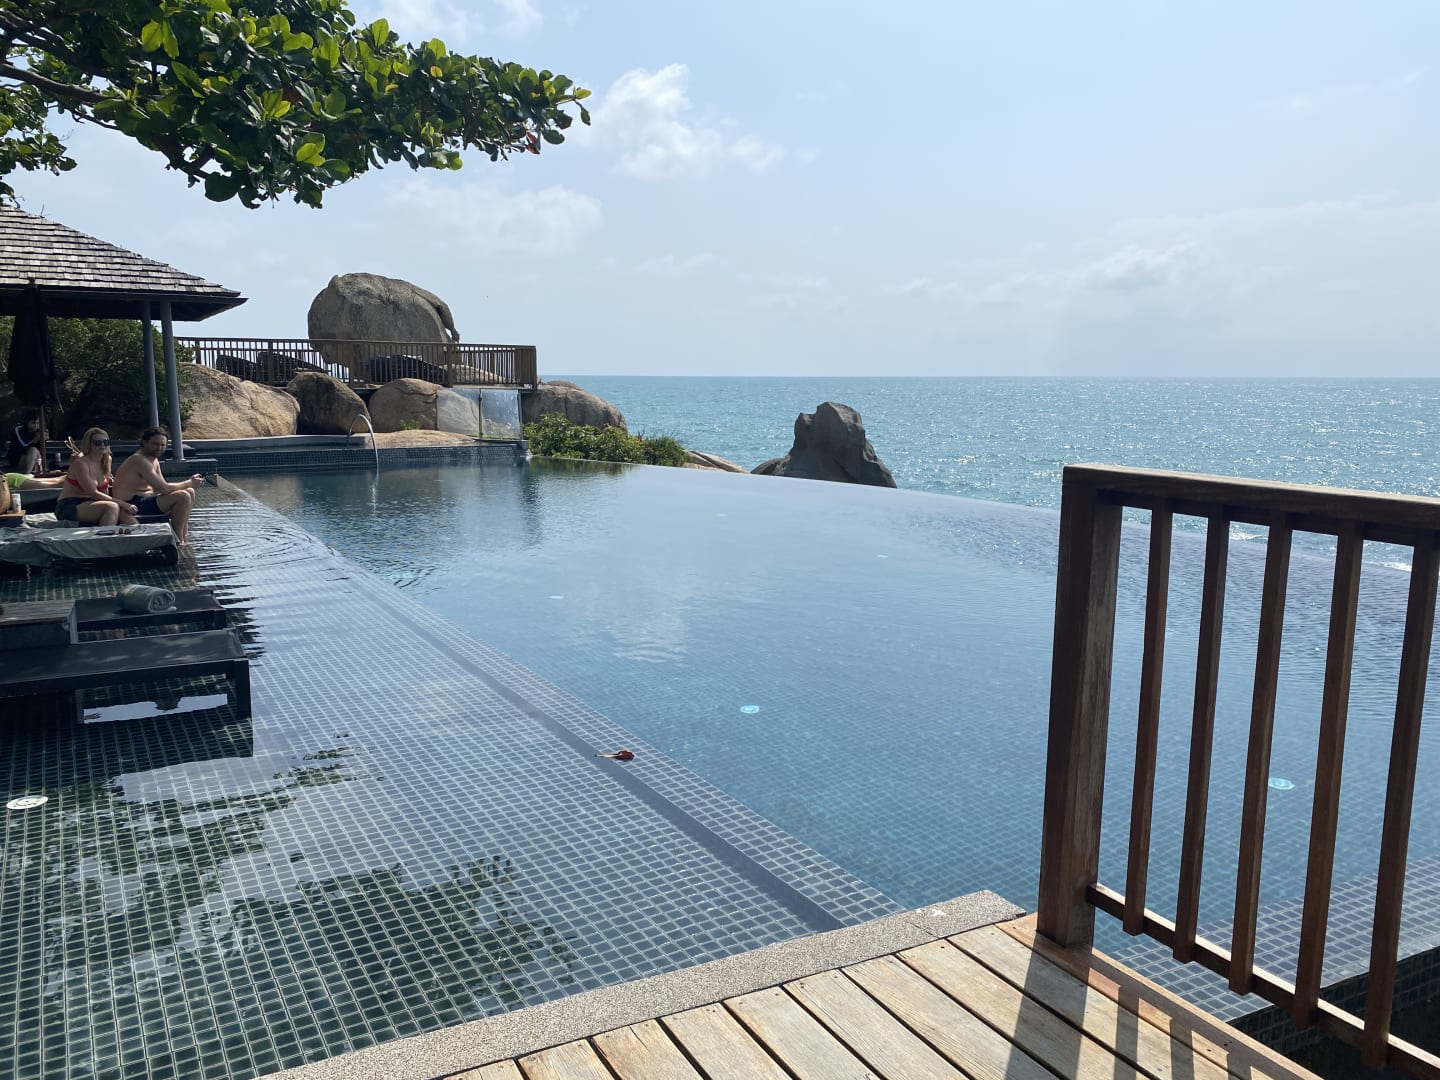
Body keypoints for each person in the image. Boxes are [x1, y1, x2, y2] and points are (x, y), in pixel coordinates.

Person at [113, 427, 205, 543]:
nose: (159, 448)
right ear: (144, 442)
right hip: (132, 504)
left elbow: (162, 486)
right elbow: (164, 489)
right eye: (155, 444)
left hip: (145, 500)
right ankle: (178, 540)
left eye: (163, 445)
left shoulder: (153, 459)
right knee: (183, 496)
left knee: (190, 491)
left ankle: (183, 534)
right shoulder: (139, 460)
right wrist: (189, 482)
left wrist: (190, 484)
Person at [55, 427, 138, 527]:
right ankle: (105, 535)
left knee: (127, 516)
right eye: (97, 443)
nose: (102, 445)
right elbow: (93, 493)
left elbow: (104, 492)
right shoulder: (81, 463)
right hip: (70, 505)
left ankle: (139, 534)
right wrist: (123, 503)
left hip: (94, 503)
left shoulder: (107, 460)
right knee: (112, 507)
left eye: (105, 442)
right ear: (89, 444)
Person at [5, 409, 43, 475]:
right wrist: (35, 439)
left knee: (36, 452)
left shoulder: (38, 431)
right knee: (33, 450)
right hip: (17, 458)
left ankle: (40, 473)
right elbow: (24, 446)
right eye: (33, 423)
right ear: (26, 422)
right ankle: (27, 474)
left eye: (38, 423)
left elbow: (41, 451)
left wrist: (43, 440)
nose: (36, 426)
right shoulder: (18, 430)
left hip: (32, 458)